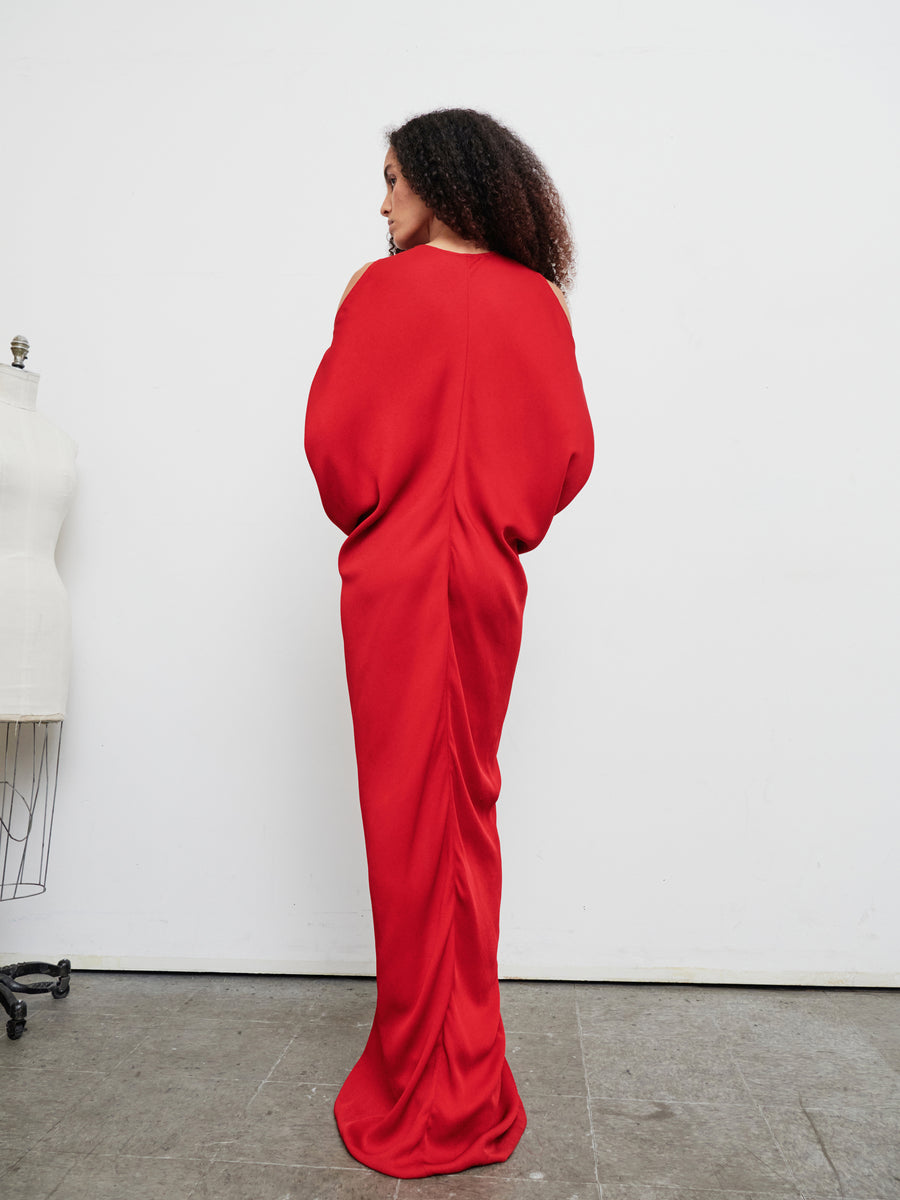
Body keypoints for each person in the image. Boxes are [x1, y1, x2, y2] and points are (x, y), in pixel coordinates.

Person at [305, 107, 594, 1179]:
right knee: (465, 810)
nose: (381, 204)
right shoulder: (538, 302)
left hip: (391, 588)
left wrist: (401, 504)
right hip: (484, 587)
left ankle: (420, 1078)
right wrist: (490, 517)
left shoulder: (377, 293)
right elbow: (567, 455)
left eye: (390, 179)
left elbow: (337, 463)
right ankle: (466, 1066)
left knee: (403, 824)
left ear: (436, 177)